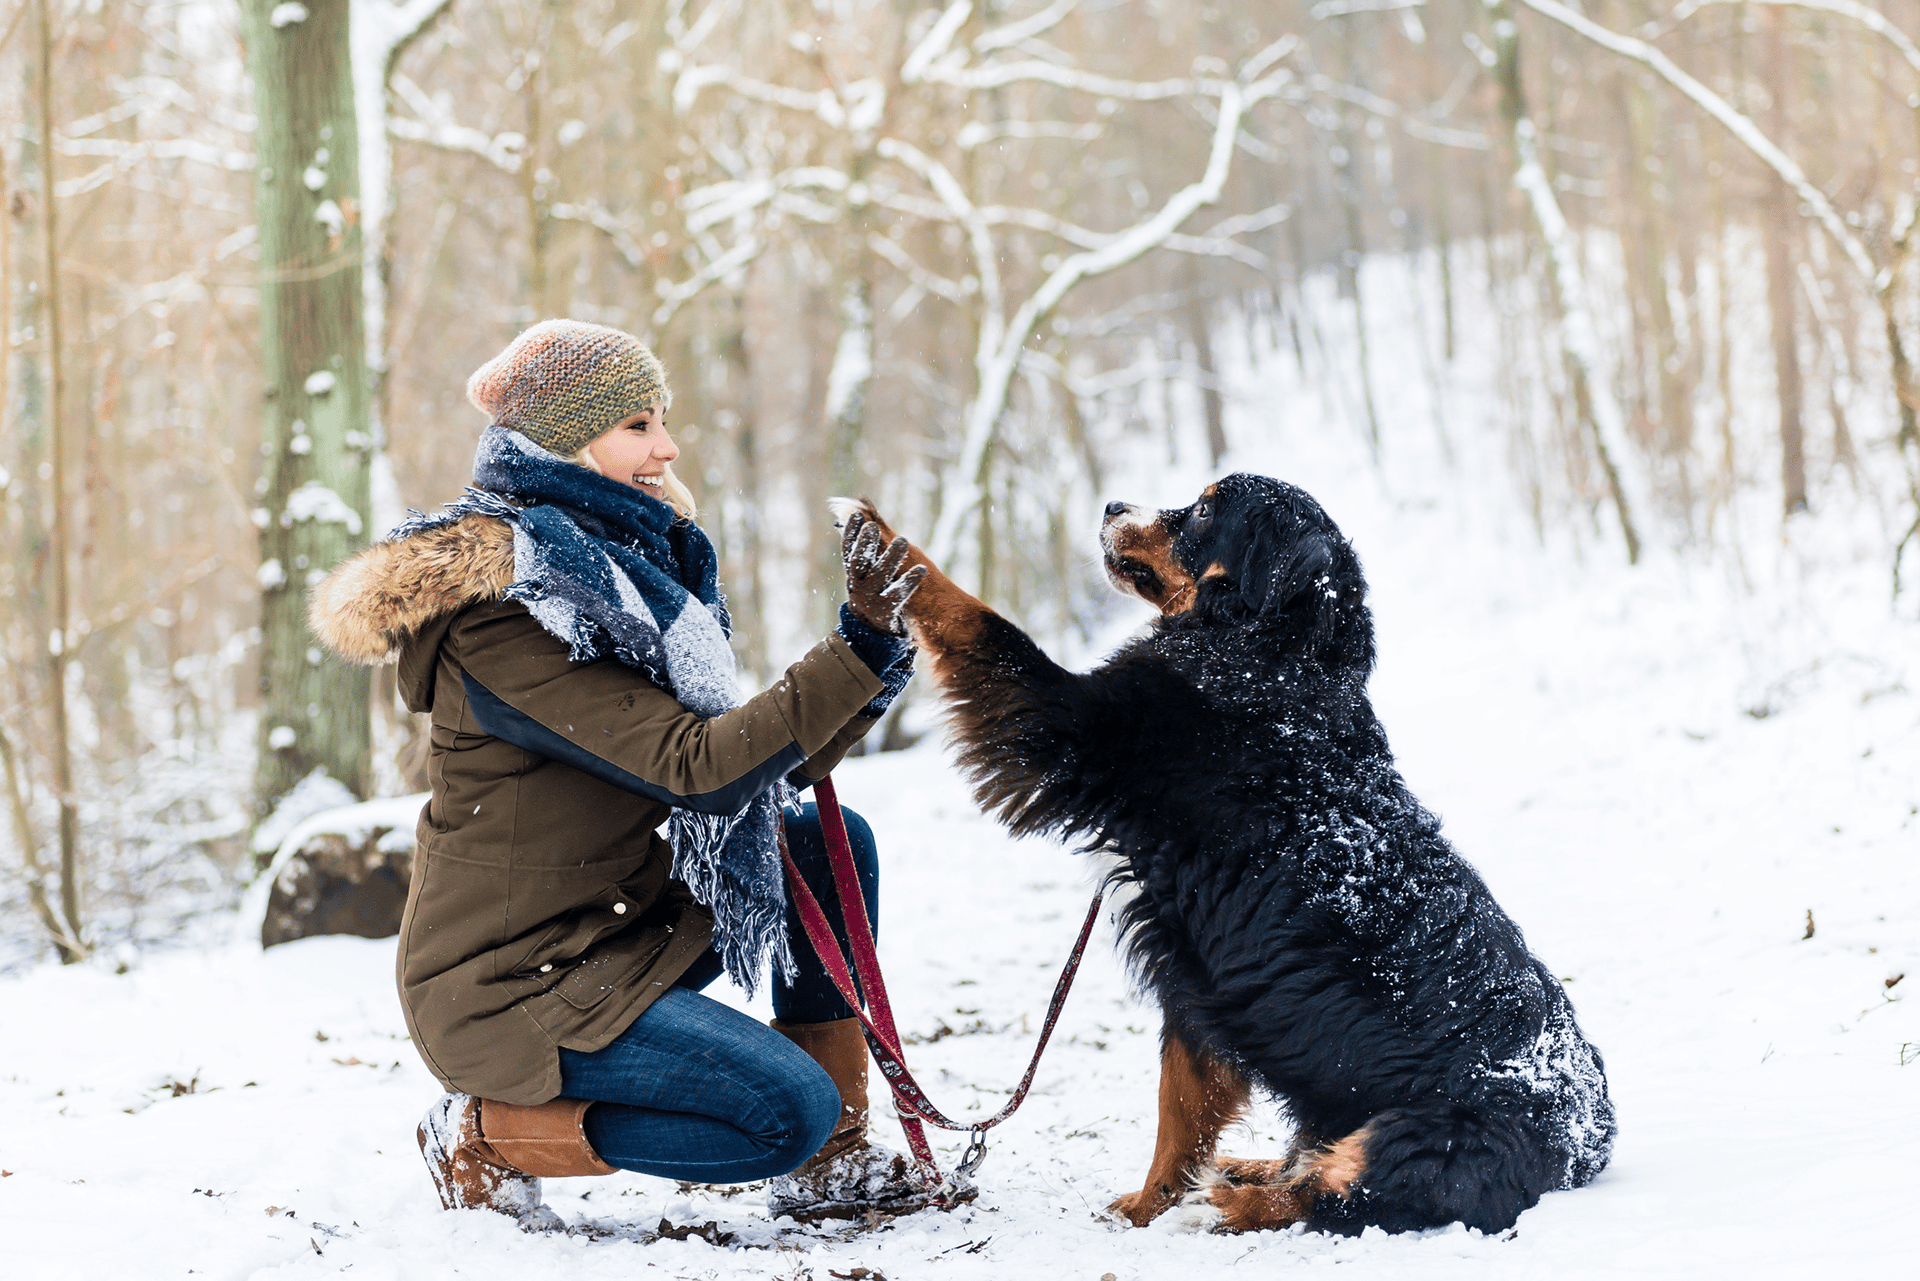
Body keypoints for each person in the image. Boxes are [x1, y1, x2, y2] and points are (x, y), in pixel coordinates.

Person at [309, 319, 939, 1227]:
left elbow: (753, 772)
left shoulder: (620, 578)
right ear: (565, 439)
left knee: (817, 843)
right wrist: (848, 647)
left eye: (663, 419)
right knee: (779, 1114)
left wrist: (873, 652)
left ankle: (832, 1170)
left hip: (620, 926)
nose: (669, 446)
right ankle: (485, 1133)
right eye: (639, 424)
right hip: (512, 984)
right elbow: (699, 769)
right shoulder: (508, 615)